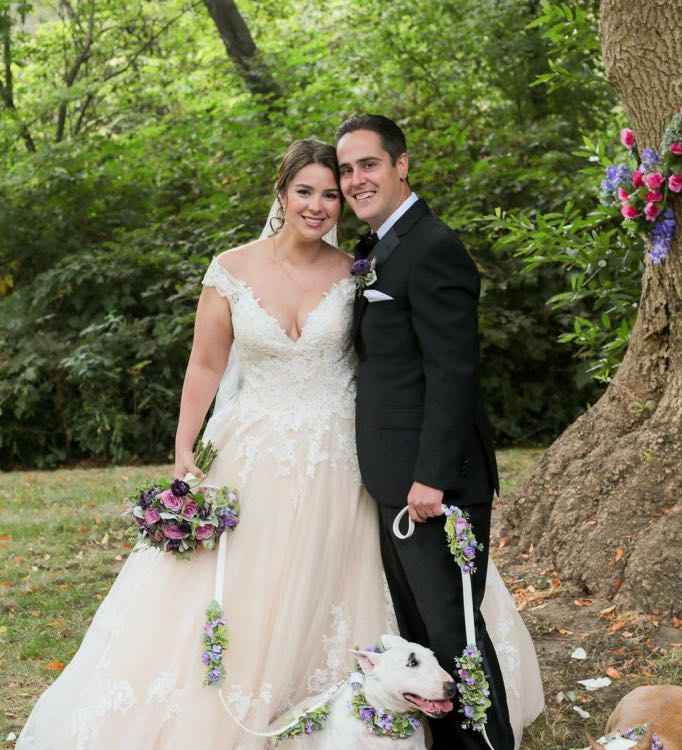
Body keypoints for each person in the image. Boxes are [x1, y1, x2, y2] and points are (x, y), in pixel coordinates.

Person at [17, 137, 542, 750]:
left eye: (330, 194)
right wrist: (185, 447)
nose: (319, 206)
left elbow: (394, 362)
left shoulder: (356, 270)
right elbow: (205, 366)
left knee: (359, 578)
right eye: (306, 192)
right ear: (282, 191)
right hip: (253, 450)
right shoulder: (231, 269)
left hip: (344, 455)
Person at [336, 114, 527, 750]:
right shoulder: (385, 245)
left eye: (369, 164)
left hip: (432, 483)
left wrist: (431, 480)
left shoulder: (432, 245)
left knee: (455, 636)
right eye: (347, 169)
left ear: (401, 165)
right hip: (397, 477)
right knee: (427, 637)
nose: (357, 180)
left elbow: (454, 373)